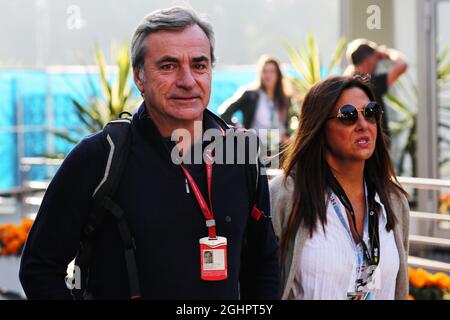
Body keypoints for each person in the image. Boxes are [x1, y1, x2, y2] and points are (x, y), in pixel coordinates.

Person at [19, 6, 280, 300]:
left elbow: (263, 264)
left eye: (199, 65)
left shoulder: (240, 156)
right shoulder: (98, 158)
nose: (187, 80)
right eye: (168, 66)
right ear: (139, 77)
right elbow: (39, 268)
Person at [270, 76, 410, 300]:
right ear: (319, 126)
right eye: (348, 115)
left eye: (371, 112)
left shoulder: (392, 200)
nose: (363, 125)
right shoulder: (285, 194)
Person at [218, 55, 292, 148]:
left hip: (279, 149)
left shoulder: (285, 98)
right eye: (264, 71)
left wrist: (287, 137)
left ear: (278, 75)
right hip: (255, 148)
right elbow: (224, 113)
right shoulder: (250, 95)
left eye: (272, 71)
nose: (268, 75)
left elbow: (289, 125)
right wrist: (240, 130)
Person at [344, 39, 408, 137]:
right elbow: (402, 64)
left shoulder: (348, 82)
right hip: (374, 143)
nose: (377, 63)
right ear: (368, 60)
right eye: (376, 59)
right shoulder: (370, 84)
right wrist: (386, 53)